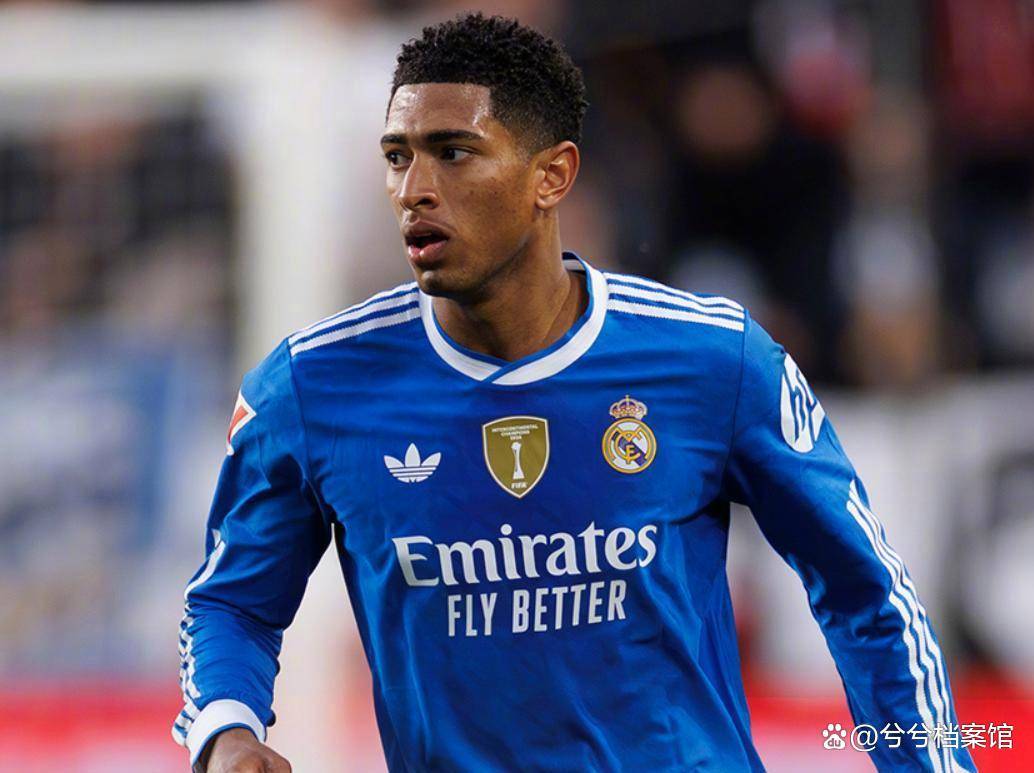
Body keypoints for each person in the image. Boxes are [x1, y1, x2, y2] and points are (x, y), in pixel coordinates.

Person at [174, 13, 975, 773]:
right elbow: (231, 603)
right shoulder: (314, 385)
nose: (414, 188)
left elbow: (868, 594)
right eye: (397, 155)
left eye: (453, 152)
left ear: (552, 176)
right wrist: (226, 731)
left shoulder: (711, 361)